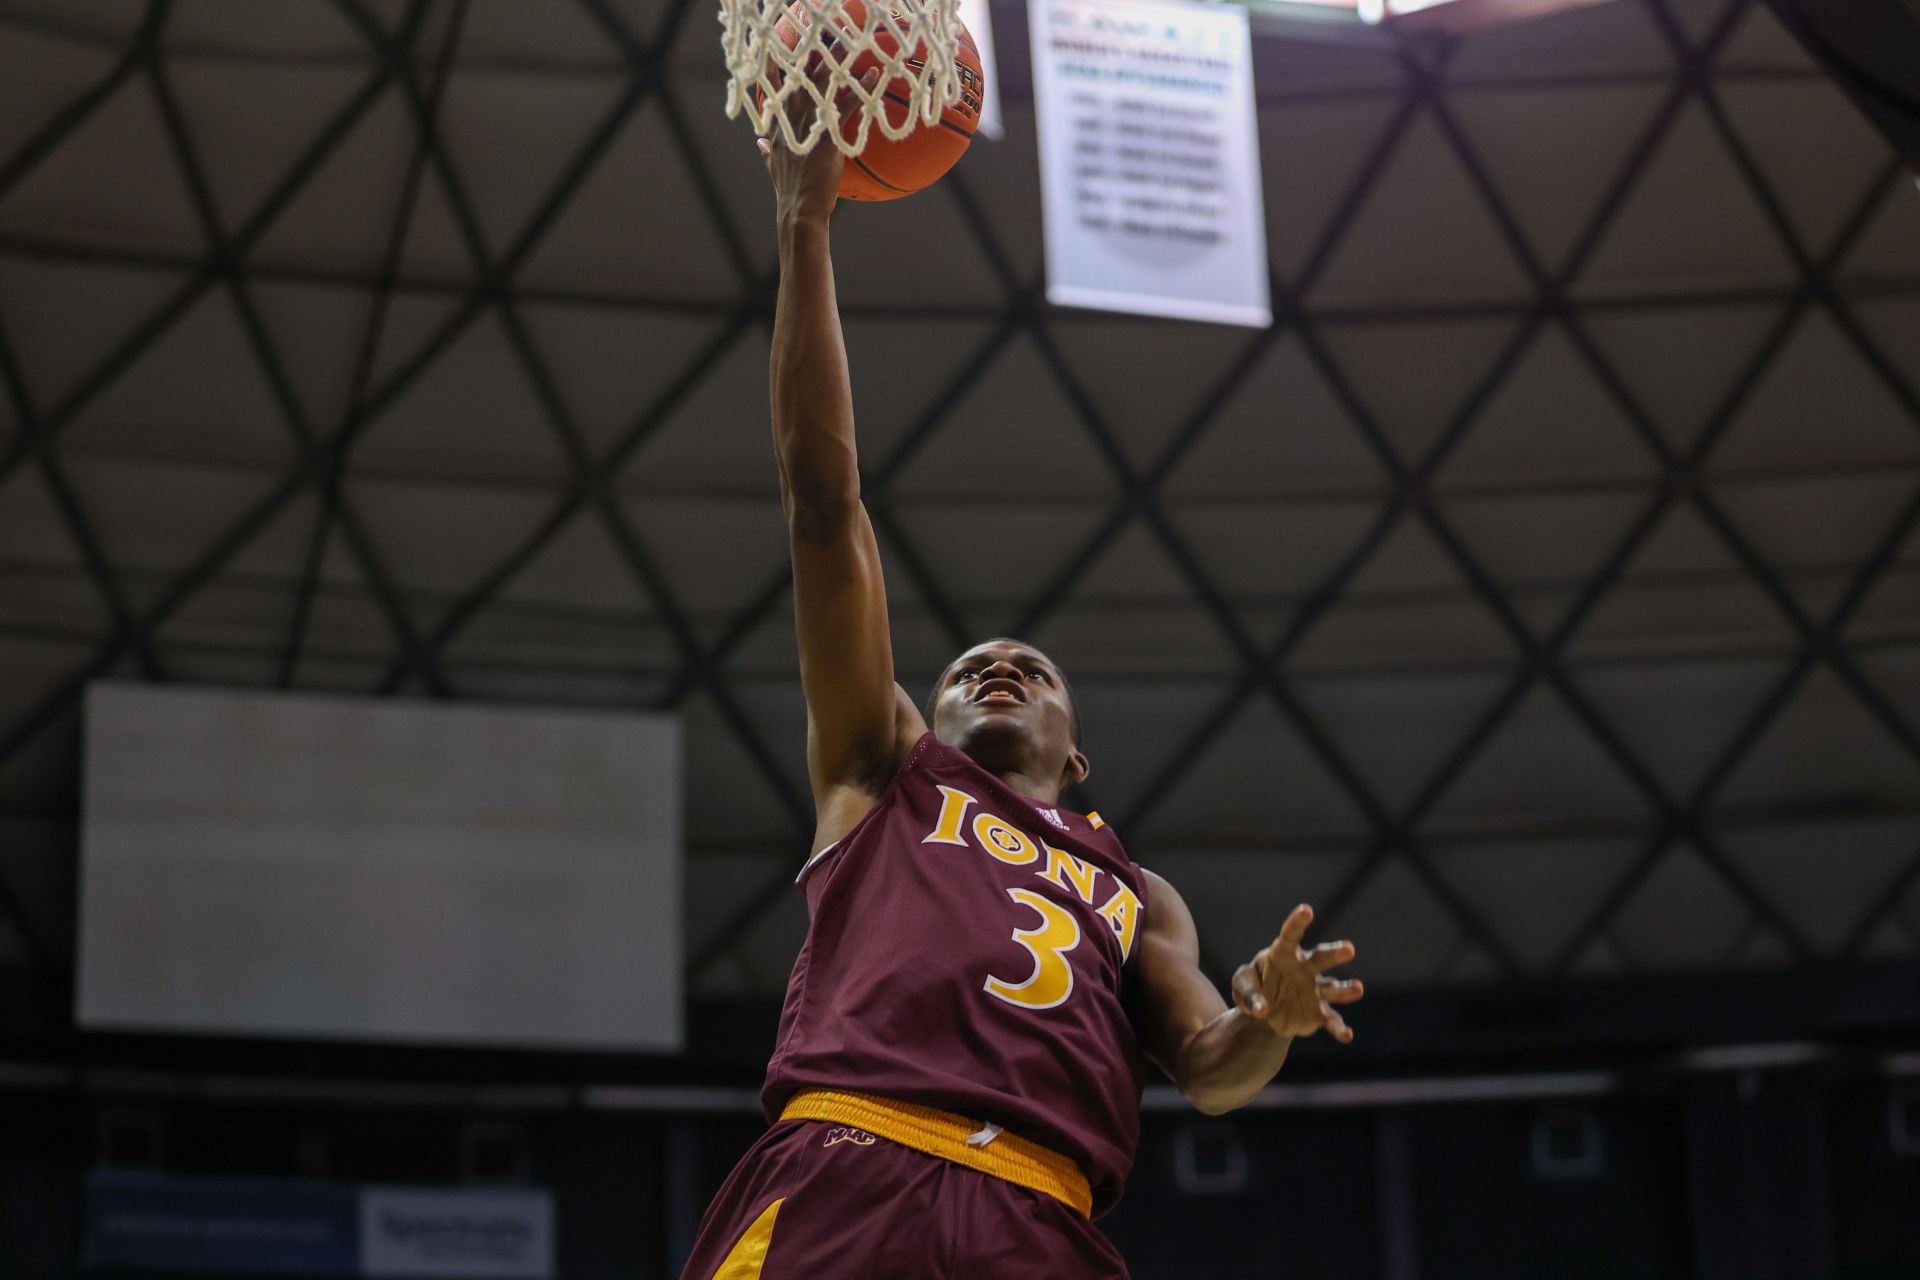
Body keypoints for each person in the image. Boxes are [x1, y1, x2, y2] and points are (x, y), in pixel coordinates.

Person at [679, 76, 1364, 1280]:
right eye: (970, 668)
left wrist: (1268, 1019)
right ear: (927, 711)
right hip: (849, 1164)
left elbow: (1209, 1069)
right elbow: (824, 508)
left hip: (1039, 1219)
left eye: (1029, 669)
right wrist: (805, 227)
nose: (998, 668)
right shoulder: (881, 769)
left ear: (1076, 745)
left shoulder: (1132, 890)